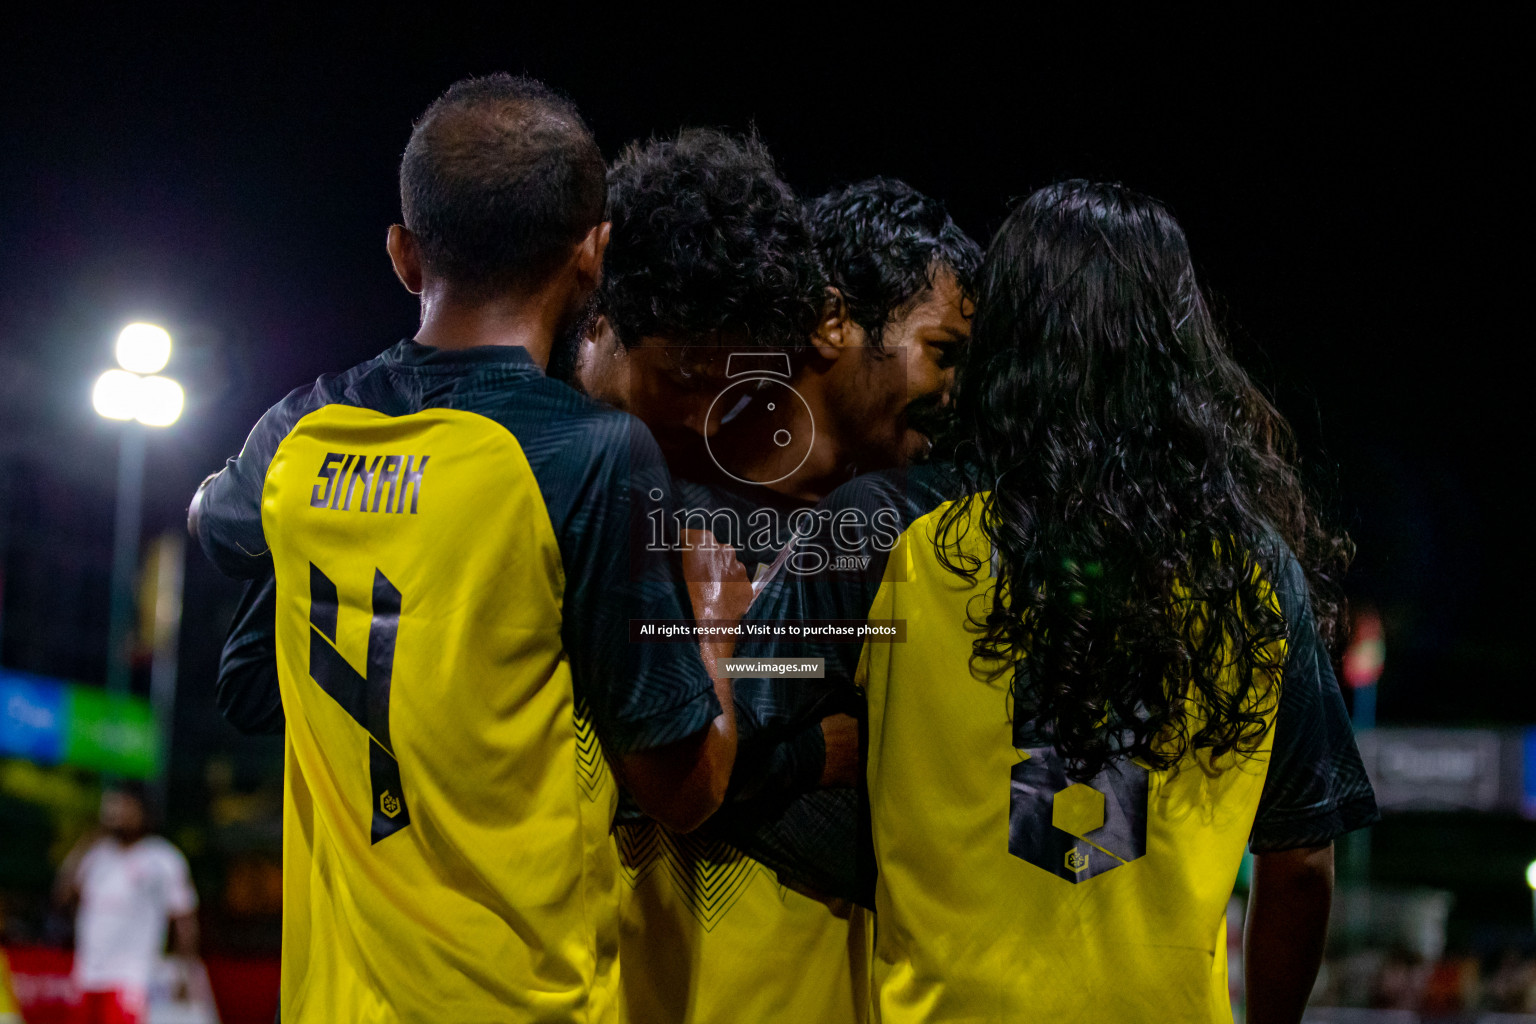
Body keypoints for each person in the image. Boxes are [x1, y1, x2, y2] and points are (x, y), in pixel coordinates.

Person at [736, 180, 1378, 1023]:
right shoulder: (1252, 569)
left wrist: (855, 807)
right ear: (1180, 352)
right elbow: (1299, 862)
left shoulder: (888, 528)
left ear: (1007, 343)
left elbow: (728, 734)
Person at [189, 75, 736, 1023]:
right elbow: (681, 790)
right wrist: (720, 632)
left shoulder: (305, 435)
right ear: (592, 255)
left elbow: (215, 523)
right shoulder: (593, 455)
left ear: (405, 256)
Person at [574, 140, 980, 1023]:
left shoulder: (916, 530)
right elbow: (646, 750)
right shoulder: (657, 466)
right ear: (834, 321)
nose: (957, 391)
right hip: (643, 980)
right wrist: (812, 749)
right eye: (941, 350)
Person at [54, 783, 199, 1024]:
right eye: (112, 806)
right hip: (88, 973)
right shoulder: (96, 855)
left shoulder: (163, 858)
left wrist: (186, 973)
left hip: (132, 976)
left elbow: (184, 919)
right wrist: (86, 840)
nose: (116, 813)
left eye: (124, 806)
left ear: (143, 811)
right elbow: (62, 896)